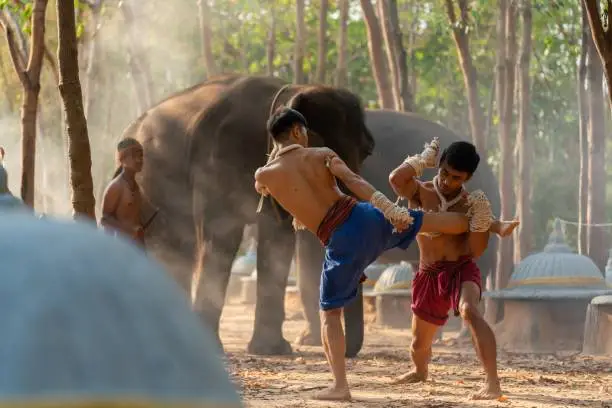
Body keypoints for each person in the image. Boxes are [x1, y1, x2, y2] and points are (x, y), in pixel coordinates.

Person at [254, 108, 489, 401]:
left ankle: (340, 386)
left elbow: (270, 189)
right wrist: (387, 208)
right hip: (362, 216)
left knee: (329, 313)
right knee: (425, 221)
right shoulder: (321, 154)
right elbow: (354, 182)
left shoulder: (264, 175)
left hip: (338, 239)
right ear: (298, 131)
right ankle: (488, 222)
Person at [388, 138, 519, 400]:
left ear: (467, 178)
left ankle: (493, 384)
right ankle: (420, 371)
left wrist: (484, 224)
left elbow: (476, 251)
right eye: (444, 172)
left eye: (456, 178)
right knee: (418, 345)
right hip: (427, 275)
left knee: (470, 311)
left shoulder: (472, 205)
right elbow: (396, 181)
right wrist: (422, 159)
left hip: (461, 269)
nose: (447, 181)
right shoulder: (420, 192)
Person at [100, 138, 156, 246]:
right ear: (122, 159)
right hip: (120, 248)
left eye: (141, 156)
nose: (139, 160)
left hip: (136, 247)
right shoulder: (116, 187)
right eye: (135, 156)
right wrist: (130, 230)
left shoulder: (136, 188)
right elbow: (105, 219)